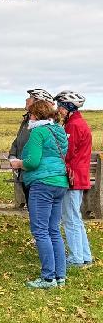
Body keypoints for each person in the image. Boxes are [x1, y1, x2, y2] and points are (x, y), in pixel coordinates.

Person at [9, 99, 68, 288]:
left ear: (36, 115)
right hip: (60, 183)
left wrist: (18, 163)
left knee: (40, 231)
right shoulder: (58, 131)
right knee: (54, 230)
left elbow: (33, 162)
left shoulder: (38, 133)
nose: (29, 118)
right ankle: (60, 276)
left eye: (31, 114)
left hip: (42, 184)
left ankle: (48, 277)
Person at [54, 91, 94, 267]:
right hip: (79, 175)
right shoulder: (77, 122)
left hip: (73, 177)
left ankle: (76, 258)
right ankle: (85, 256)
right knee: (75, 218)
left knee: (70, 219)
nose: (58, 110)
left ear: (68, 107)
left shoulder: (73, 126)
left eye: (60, 106)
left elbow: (67, 153)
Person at [9, 89, 54, 208]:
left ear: (37, 102)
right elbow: (18, 140)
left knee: (36, 207)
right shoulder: (27, 120)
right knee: (32, 205)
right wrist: (12, 155)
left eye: (30, 97)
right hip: (24, 169)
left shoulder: (42, 125)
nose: (26, 100)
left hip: (34, 171)